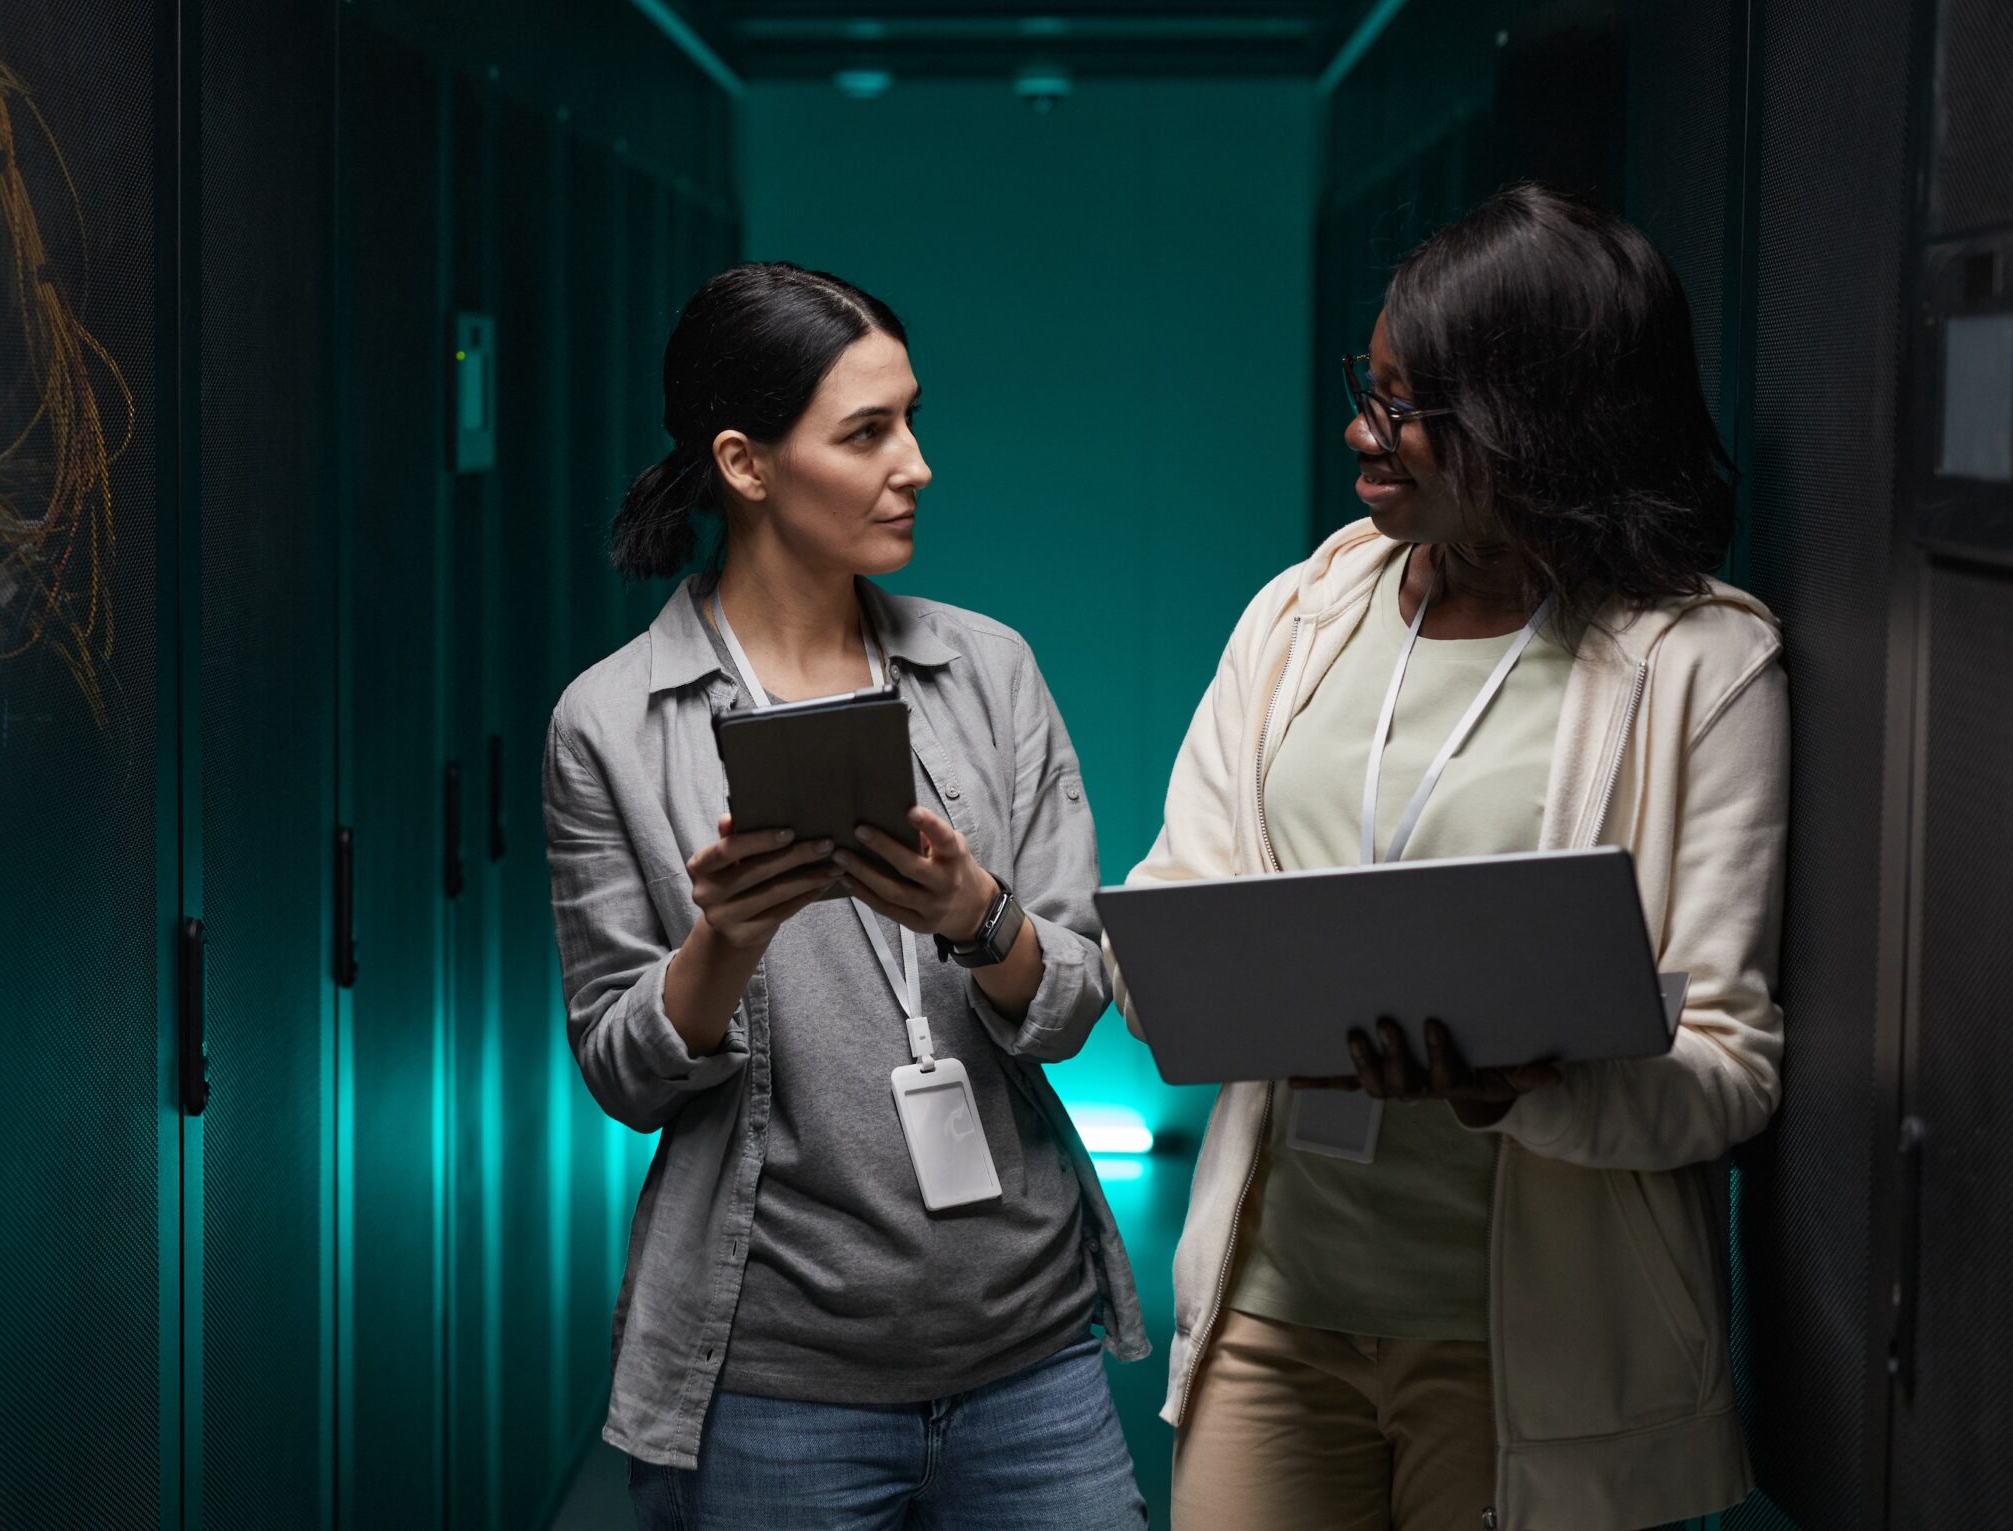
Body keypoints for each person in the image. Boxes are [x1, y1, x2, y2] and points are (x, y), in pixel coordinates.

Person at [1112, 184, 1788, 1531]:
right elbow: (1170, 909)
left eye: (1415, 406)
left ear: (1542, 421)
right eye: (1372, 383)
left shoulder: (1699, 663)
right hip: (1273, 1318)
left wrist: (1512, 1090)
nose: (1366, 429)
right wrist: (1204, 987)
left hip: (1529, 1363)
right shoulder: (1300, 613)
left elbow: (1726, 1067)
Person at [543, 262, 1149, 1529]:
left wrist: (979, 918)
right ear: (745, 464)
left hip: (1028, 1354)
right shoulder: (611, 722)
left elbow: (1078, 996)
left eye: (911, 419)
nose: (915, 462)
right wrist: (727, 939)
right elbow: (621, 1070)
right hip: (773, 1383)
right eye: (867, 432)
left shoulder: (985, 670)